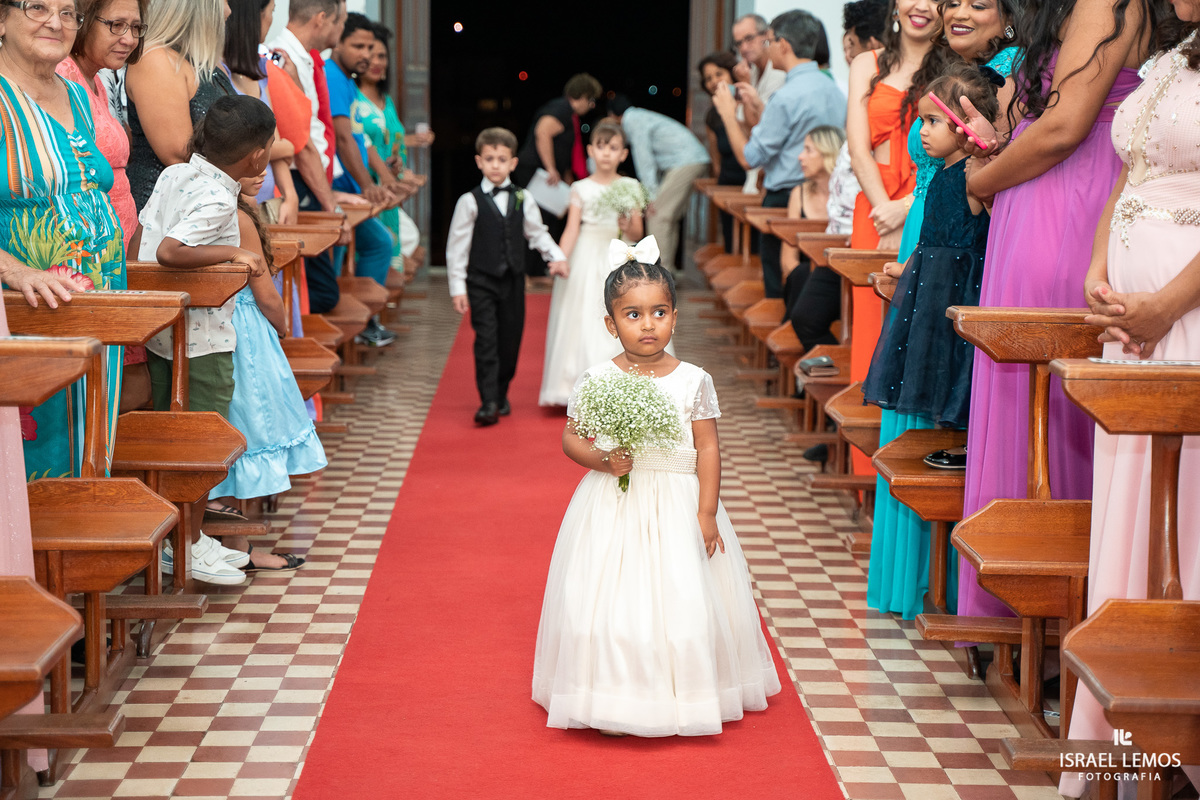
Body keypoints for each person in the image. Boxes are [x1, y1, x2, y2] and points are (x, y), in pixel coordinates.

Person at [952, 0, 1159, 628]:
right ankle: (1016, 605)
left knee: (1051, 391)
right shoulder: (1056, 12)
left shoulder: (1103, 4)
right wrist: (992, 149)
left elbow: (1066, 126)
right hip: (1039, 194)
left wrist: (983, 182)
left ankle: (1052, 613)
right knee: (1025, 384)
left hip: (1071, 195)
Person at [531, 243, 781, 736]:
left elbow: (707, 448)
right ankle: (611, 694)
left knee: (683, 601)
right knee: (607, 600)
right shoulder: (597, 378)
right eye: (633, 314)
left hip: (677, 502)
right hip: (615, 502)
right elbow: (571, 437)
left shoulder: (693, 380)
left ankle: (683, 693)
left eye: (659, 312)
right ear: (611, 324)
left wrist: (707, 512)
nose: (647, 325)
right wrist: (603, 460)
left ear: (674, 317)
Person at [1061, 14, 1200, 795]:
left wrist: (1166, 306)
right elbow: (1129, 172)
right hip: (1131, 307)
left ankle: (1180, 742)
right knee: (1133, 491)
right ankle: (1120, 735)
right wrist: (1097, 263)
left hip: (1187, 306)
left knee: (1187, 503)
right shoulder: (1172, 53)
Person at [864, 0, 1019, 620]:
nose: (956, 11)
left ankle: (950, 583)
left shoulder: (986, 138)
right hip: (925, 265)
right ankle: (915, 578)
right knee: (920, 384)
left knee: (949, 383)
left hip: (953, 278)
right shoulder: (947, 98)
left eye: (976, 3)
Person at [138, 95, 275, 586]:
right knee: (199, 450)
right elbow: (169, 251)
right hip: (203, 344)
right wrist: (236, 253)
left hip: (162, 336)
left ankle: (190, 539)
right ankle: (184, 547)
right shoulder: (219, 198)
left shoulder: (176, 173)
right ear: (258, 156)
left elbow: (142, 239)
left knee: (180, 445)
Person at [0, 0, 126, 481]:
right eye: (37, 7)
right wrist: (17, 271)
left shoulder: (76, 94)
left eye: (68, 12)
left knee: (91, 441)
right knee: (40, 456)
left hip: (98, 302)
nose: (56, 22)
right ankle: (27, 558)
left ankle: (80, 557)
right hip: (30, 308)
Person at [204, 171, 326, 573]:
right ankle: (238, 548)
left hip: (227, 328)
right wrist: (282, 325)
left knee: (245, 434)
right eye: (254, 164)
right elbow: (266, 293)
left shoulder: (231, 208)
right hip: (247, 333)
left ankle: (238, 546)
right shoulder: (238, 217)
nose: (264, 174)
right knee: (249, 432)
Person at [863, 64, 995, 432]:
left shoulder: (975, 174)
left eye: (933, 122)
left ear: (965, 123)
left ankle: (955, 450)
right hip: (931, 288)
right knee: (930, 370)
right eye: (922, 122)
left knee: (951, 369)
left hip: (957, 292)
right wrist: (910, 268)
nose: (922, 132)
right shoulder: (939, 174)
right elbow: (932, 239)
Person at [711, 10, 846, 299]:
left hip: (785, 198)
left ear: (783, 45)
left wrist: (727, 114)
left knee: (780, 287)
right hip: (825, 197)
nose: (765, 47)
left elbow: (749, 157)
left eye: (769, 41)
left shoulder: (787, 95)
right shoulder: (833, 89)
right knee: (813, 284)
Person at [446, 128, 567, 426]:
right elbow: (456, 248)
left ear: (513, 163)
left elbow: (537, 233)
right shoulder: (469, 201)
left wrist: (557, 257)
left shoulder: (523, 198)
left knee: (510, 341)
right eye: (489, 159)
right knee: (486, 339)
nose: (496, 165)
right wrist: (457, 288)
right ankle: (488, 401)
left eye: (502, 159)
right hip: (481, 281)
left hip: (513, 280)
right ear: (479, 162)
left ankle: (501, 392)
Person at [539, 121, 646, 406]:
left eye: (613, 148)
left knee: (616, 313)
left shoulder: (630, 186)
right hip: (586, 253)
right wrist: (560, 258)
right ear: (590, 151)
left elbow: (637, 233)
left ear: (623, 154)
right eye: (601, 146)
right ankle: (576, 384)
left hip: (617, 253)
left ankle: (619, 383)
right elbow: (572, 228)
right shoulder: (580, 187)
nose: (607, 153)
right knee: (582, 314)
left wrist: (626, 225)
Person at [325, 12, 407, 345]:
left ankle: (361, 324)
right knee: (340, 259)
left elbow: (363, 141)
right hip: (337, 186)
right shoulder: (331, 75)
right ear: (338, 41)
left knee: (376, 243)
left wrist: (382, 178)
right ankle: (348, 330)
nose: (366, 55)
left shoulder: (346, 81)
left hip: (351, 186)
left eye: (370, 47)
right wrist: (370, 185)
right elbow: (343, 139)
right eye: (358, 46)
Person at [269, 0, 354, 317]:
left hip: (311, 179)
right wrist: (331, 205)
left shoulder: (306, 60)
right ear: (321, 19)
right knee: (317, 290)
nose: (340, 29)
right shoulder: (280, 58)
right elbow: (302, 141)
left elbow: (316, 130)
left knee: (317, 286)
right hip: (295, 180)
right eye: (339, 21)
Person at [125, 0, 236, 212]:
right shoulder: (155, 59)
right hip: (166, 214)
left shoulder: (203, 61)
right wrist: (241, 169)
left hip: (206, 203)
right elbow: (178, 154)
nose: (229, 10)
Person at [56, 0, 144, 246]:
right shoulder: (63, 74)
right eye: (116, 25)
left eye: (135, 27)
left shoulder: (96, 81)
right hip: (85, 251)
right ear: (81, 20)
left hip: (115, 249)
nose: (129, 39)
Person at [514, 73, 603, 278]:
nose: (591, 106)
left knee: (548, 220)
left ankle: (537, 271)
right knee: (535, 220)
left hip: (547, 176)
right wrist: (551, 168)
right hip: (537, 174)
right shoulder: (560, 109)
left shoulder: (567, 113)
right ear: (581, 95)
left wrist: (563, 174)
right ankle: (526, 273)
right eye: (591, 100)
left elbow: (561, 147)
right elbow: (542, 132)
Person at [607, 95, 710, 271]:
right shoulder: (640, 116)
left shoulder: (633, 121)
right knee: (668, 217)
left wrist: (650, 197)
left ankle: (659, 273)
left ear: (614, 115)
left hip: (686, 161)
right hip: (691, 160)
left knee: (657, 215)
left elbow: (644, 160)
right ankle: (667, 270)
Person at [223, 0, 301, 226]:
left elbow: (271, 139)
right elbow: (236, 147)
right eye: (272, 12)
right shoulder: (218, 71)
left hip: (270, 200)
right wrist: (285, 147)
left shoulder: (259, 69)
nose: (271, 20)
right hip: (239, 205)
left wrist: (290, 195)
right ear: (253, 17)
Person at [356, 23, 423, 267]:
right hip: (366, 191)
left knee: (392, 264)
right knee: (373, 259)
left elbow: (395, 144)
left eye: (382, 56)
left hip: (388, 193)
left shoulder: (387, 101)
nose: (376, 61)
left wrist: (398, 163)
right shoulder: (352, 96)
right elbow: (357, 144)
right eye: (370, 54)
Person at [729, 13, 787, 192]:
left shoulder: (779, 72)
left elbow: (759, 126)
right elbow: (745, 127)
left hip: (774, 175)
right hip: (754, 173)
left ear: (766, 36)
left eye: (749, 39)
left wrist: (744, 86)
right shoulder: (750, 72)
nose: (744, 48)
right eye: (739, 43)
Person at [698, 52, 746, 253]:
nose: (713, 81)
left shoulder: (745, 102)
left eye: (718, 74)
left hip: (749, 182)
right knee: (730, 241)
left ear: (731, 73)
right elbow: (716, 157)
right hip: (728, 182)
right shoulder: (711, 115)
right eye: (708, 78)